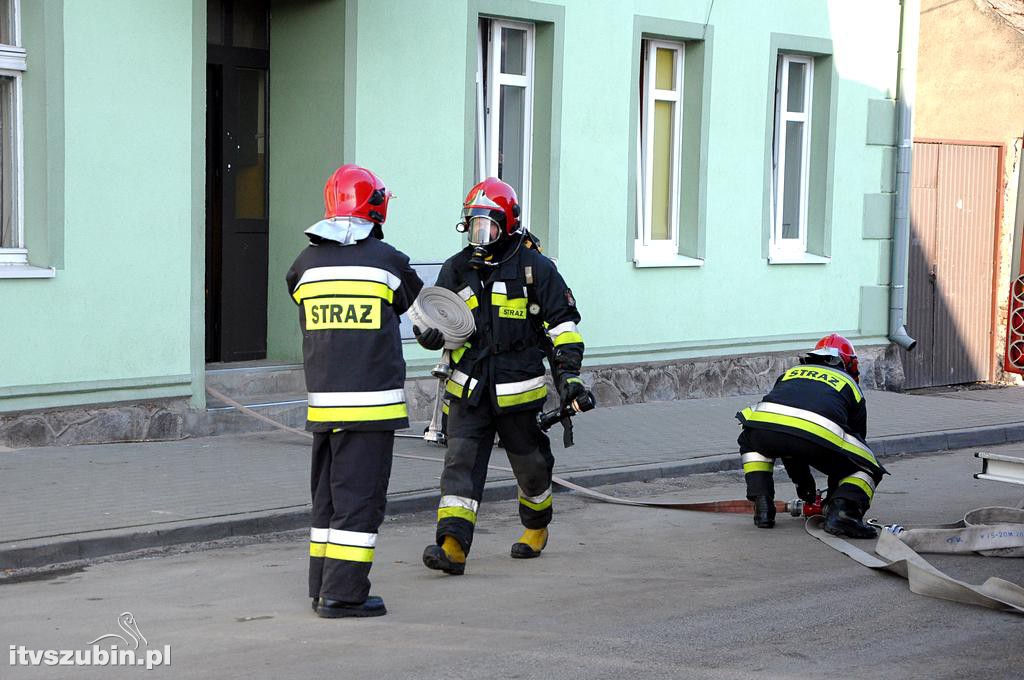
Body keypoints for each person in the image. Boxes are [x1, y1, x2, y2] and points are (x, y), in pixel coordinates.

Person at [414, 177, 585, 575]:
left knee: (531, 466)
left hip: (518, 388)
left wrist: (570, 379)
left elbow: (563, 328)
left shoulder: (535, 268)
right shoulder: (457, 268)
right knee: (459, 462)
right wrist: (429, 334)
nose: (480, 234)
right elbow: (440, 321)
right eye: (473, 225)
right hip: (469, 385)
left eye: (487, 225)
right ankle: (452, 545)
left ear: (507, 224)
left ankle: (536, 526)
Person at [286, 164, 423, 617]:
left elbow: (297, 295)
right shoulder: (387, 261)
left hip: (325, 406)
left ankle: (321, 586)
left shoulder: (304, 265)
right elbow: (416, 305)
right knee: (359, 502)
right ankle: (344, 595)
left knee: (327, 500)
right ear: (375, 206)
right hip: (371, 406)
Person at [735, 333, 885, 538]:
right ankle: (844, 514)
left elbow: (788, 439)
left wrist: (804, 487)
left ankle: (762, 506)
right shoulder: (849, 384)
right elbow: (851, 449)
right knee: (866, 465)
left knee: (752, 444)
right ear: (848, 363)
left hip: (764, 428)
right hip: (818, 436)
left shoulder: (791, 373)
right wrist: (834, 499)